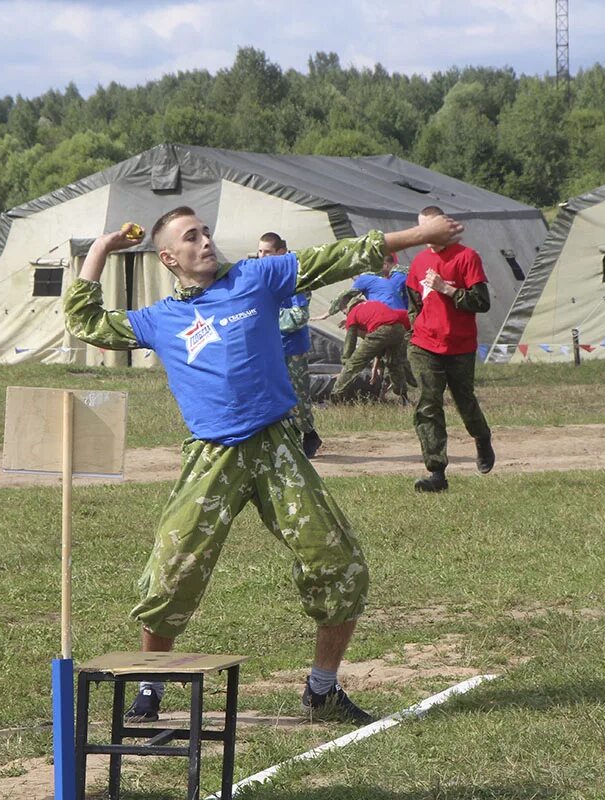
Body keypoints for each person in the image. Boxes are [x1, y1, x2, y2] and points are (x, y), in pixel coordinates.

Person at [65, 206, 462, 726]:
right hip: (214, 456)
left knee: (339, 565)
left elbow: (334, 257)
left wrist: (415, 235)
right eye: (191, 237)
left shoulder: (256, 277)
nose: (205, 241)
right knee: (171, 573)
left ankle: (322, 690)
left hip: (276, 446)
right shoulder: (160, 318)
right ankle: (150, 684)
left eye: (206, 231)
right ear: (168, 257)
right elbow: (86, 320)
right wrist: (100, 249)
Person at [406, 206, 494, 492]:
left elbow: (482, 302)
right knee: (429, 403)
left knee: (464, 401)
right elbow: (413, 303)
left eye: (430, 227)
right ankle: (436, 472)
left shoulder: (467, 258)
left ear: (443, 225)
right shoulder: (418, 262)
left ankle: (481, 437)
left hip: (459, 345)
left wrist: (447, 289)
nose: (426, 235)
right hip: (424, 344)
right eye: (421, 229)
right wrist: (415, 328)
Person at [257, 232, 322, 458]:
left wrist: (267, 322)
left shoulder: (294, 279)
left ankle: (308, 433)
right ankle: (280, 439)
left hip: (292, 348)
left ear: (281, 253)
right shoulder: (259, 278)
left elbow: (298, 316)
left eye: (268, 252)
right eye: (260, 251)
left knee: (297, 395)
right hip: (267, 348)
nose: (262, 257)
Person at [330, 296, 412, 404]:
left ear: (346, 307)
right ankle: (404, 397)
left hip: (381, 330)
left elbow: (350, 343)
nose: (345, 314)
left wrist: (345, 363)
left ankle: (336, 396)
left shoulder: (352, 314)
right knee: (394, 364)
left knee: (355, 362)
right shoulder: (374, 304)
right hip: (398, 329)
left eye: (343, 312)